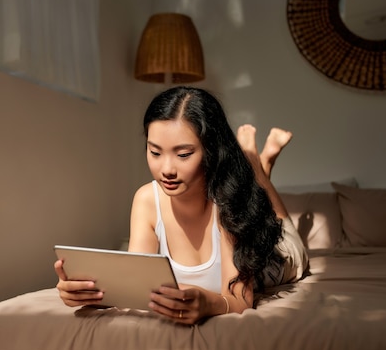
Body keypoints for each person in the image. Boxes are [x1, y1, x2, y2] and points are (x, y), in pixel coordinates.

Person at [54, 86, 308, 325]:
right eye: (155, 152)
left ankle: (256, 162)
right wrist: (89, 294)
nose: (166, 170)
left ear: (211, 151)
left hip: (275, 256)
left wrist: (210, 304)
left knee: (274, 215)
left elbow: (241, 300)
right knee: (251, 191)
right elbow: (135, 287)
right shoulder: (146, 200)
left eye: (183, 154)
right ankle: (256, 164)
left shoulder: (230, 201)